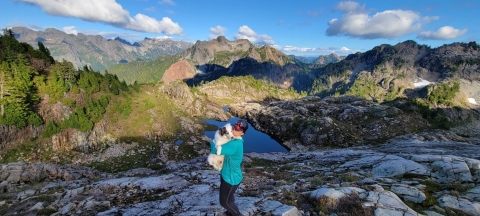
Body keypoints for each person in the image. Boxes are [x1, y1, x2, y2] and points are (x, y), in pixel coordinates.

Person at [210, 119, 248, 216]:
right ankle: (229, 213)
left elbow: (215, 150)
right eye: (234, 127)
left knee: (224, 202)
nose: (234, 130)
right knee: (229, 197)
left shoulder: (235, 144)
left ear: (242, 133)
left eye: (238, 130)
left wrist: (216, 137)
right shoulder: (236, 140)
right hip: (229, 174)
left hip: (231, 179)